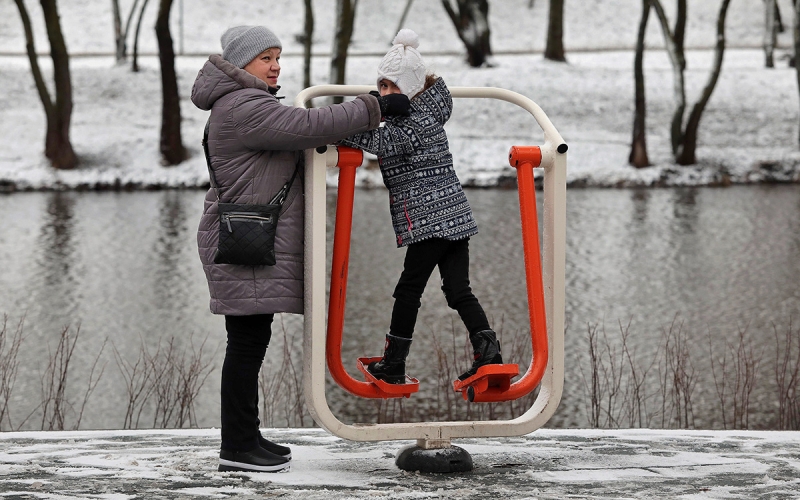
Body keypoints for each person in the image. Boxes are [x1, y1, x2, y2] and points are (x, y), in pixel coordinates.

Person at [190, 25, 411, 473]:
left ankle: (246, 438)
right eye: (265, 58)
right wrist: (376, 106)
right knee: (247, 344)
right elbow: (307, 124)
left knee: (250, 341)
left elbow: (300, 133)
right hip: (245, 239)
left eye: (277, 56)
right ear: (240, 64)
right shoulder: (242, 106)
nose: (275, 66)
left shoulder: (245, 103)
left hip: (247, 236)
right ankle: (237, 448)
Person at [337, 29, 503, 386]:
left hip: (430, 221)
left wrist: (339, 123)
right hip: (454, 217)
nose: (385, 95)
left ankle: (394, 362)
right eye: (381, 87)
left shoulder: (411, 124)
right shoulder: (428, 111)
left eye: (392, 88)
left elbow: (378, 141)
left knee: (408, 290)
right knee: (459, 290)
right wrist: (377, 107)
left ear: (412, 88)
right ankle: (488, 351)